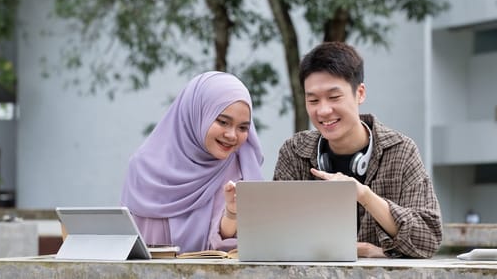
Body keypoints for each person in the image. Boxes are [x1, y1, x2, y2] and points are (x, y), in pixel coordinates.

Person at [273, 42, 442, 258]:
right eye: (313, 100)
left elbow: (428, 238)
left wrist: (364, 195)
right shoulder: (294, 152)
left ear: (360, 93)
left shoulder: (401, 151)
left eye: (334, 97)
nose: (323, 110)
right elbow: (278, 234)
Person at [121, 71, 264, 253]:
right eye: (223, 122)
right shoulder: (143, 169)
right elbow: (128, 242)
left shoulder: (240, 169)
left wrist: (232, 213)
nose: (232, 135)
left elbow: (236, 248)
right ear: (196, 114)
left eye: (243, 128)